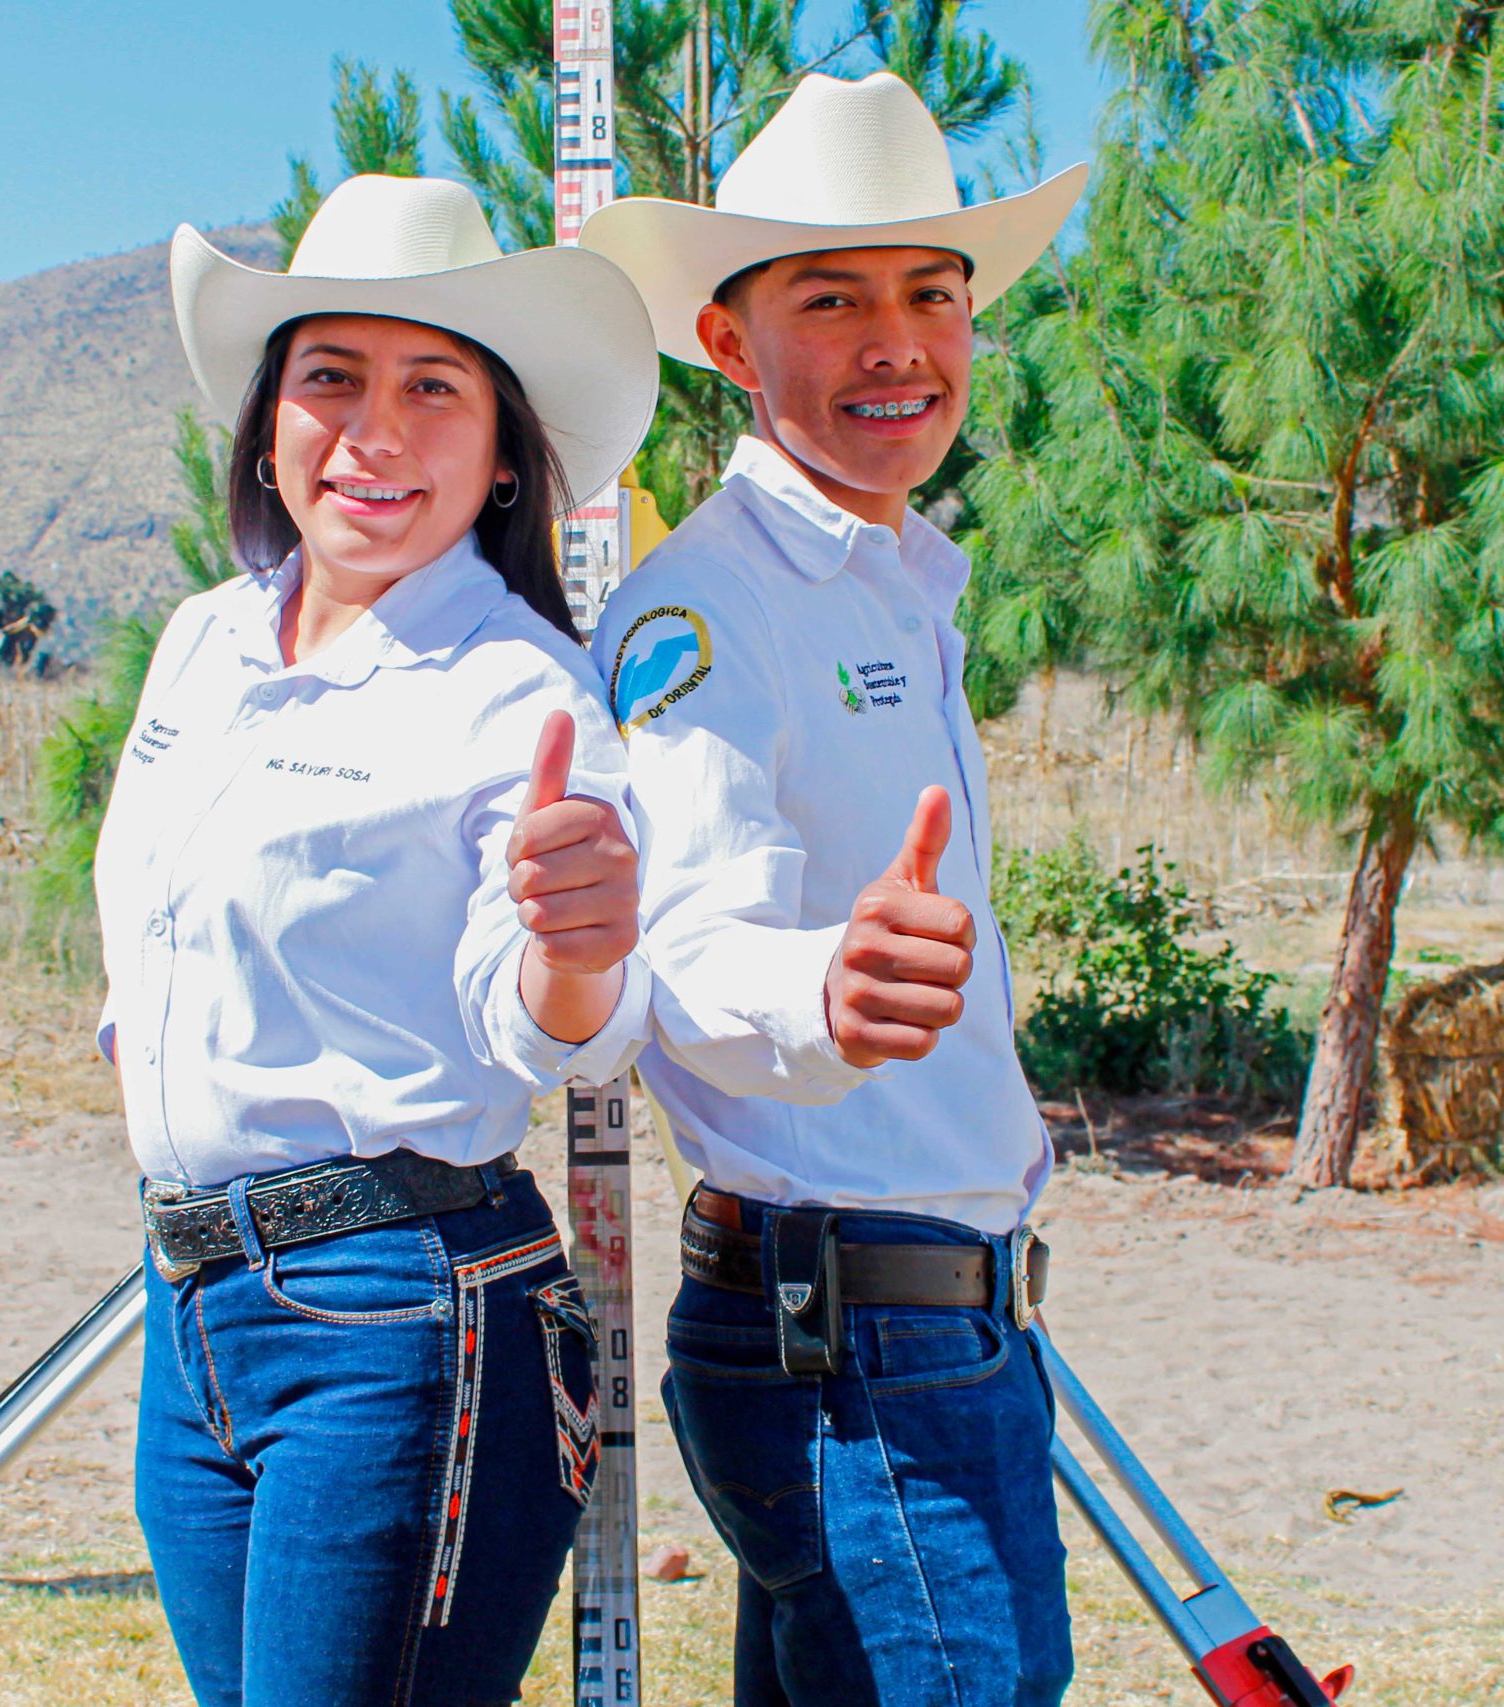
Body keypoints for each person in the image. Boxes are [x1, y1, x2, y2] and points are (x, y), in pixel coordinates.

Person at [99, 173, 659, 1707]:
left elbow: (555, 1026)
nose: (374, 430)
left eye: (433, 387)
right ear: (270, 428)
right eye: (329, 378)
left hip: (399, 1318)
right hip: (194, 1310)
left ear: (499, 456)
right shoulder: (204, 646)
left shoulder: (520, 693)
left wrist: (575, 946)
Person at [580, 73, 1091, 1706]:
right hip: (856, 1350)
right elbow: (689, 952)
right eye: (834, 299)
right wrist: (823, 993)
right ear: (730, 344)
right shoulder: (713, 613)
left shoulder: (895, 585)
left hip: (918, 1328)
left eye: (931, 295)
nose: (900, 343)